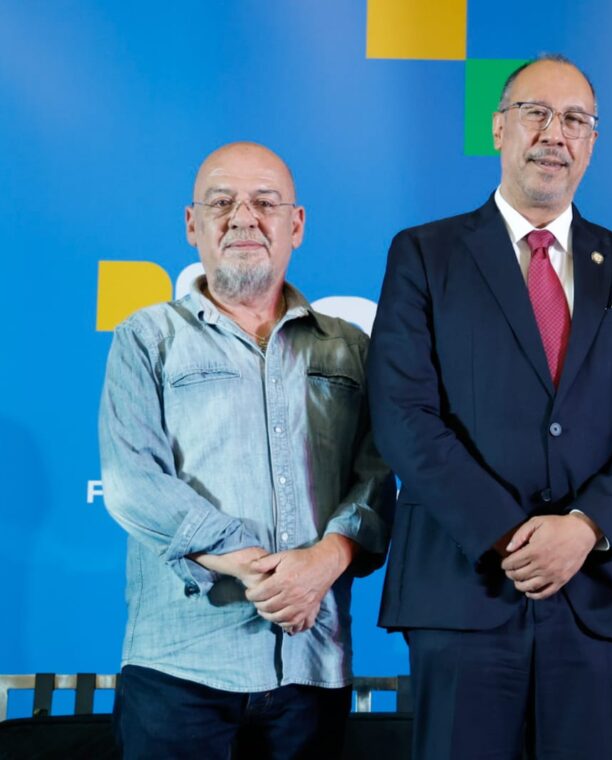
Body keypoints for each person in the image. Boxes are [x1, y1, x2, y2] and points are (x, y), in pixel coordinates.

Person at [368, 54, 612, 759]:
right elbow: (402, 413)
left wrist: (585, 527)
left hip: (594, 591)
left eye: (574, 119)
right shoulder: (424, 254)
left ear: (592, 142)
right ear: (498, 128)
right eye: (535, 113)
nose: (554, 134)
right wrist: (508, 534)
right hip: (464, 589)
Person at [99, 142, 394, 759]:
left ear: (296, 225)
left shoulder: (351, 350)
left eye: (265, 202)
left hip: (312, 664)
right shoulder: (146, 338)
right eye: (221, 203)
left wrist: (324, 562)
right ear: (192, 224)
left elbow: (376, 475)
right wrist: (254, 566)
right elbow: (132, 482)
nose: (243, 218)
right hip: (179, 667)